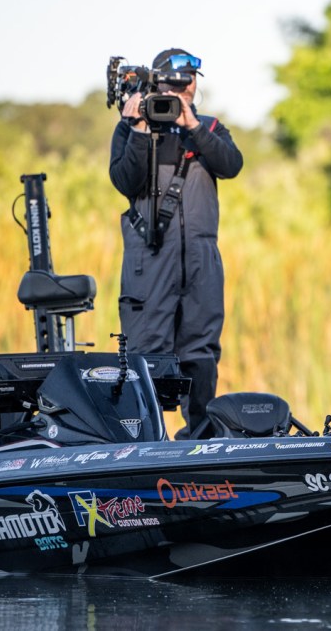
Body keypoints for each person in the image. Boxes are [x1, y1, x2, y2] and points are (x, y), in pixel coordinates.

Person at [109, 48, 243, 439]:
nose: (183, 90)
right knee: (145, 351)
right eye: (173, 83)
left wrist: (193, 127)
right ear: (156, 84)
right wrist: (137, 129)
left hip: (201, 259)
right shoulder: (132, 127)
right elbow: (125, 181)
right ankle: (143, 442)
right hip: (150, 258)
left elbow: (231, 165)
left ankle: (199, 439)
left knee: (201, 353)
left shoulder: (209, 127)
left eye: (189, 82)